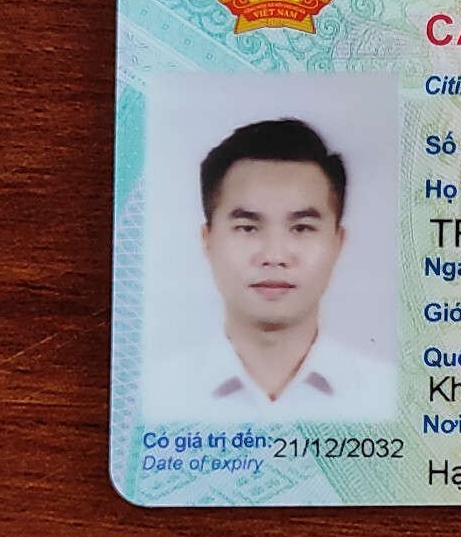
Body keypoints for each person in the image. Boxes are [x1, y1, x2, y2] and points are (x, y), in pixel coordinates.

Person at [147, 118, 397, 421]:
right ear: (208, 240)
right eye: (247, 228)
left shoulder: (390, 397)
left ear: (337, 243)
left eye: (302, 228)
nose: (275, 256)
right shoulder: (153, 397)